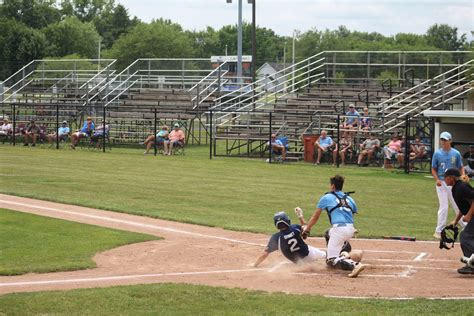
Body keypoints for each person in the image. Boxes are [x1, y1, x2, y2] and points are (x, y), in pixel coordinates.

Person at [301, 175, 366, 277]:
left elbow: (315, 217)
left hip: (339, 230)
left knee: (331, 261)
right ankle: (341, 254)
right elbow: (351, 214)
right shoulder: (350, 198)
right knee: (328, 233)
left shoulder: (326, 197)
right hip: (350, 229)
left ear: (332, 186)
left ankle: (354, 265)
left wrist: (307, 229)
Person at [253, 211, 326, 267]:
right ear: (287, 220)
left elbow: (264, 254)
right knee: (326, 256)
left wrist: (255, 264)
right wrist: (300, 216)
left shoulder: (276, 238)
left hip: (299, 263)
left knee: (308, 264)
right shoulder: (295, 228)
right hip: (309, 253)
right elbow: (306, 231)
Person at [432, 131, 465, 239]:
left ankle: (465, 226)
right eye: (442, 140)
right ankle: (439, 230)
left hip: (453, 183)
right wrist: (437, 179)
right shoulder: (437, 153)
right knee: (444, 206)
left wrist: (463, 176)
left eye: (445, 140)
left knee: (457, 205)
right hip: (441, 182)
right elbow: (433, 169)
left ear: (450, 141)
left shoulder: (456, 153)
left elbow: (460, 167)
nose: (443, 142)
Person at [444, 168, 474, 274]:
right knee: (467, 236)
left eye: (446, 177)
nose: (444, 179)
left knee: (466, 236)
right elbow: (463, 207)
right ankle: (471, 263)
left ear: (452, 178)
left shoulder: (462, 187)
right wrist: (455, 221)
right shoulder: (455, 188)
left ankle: (472, 265)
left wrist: (469, 215)